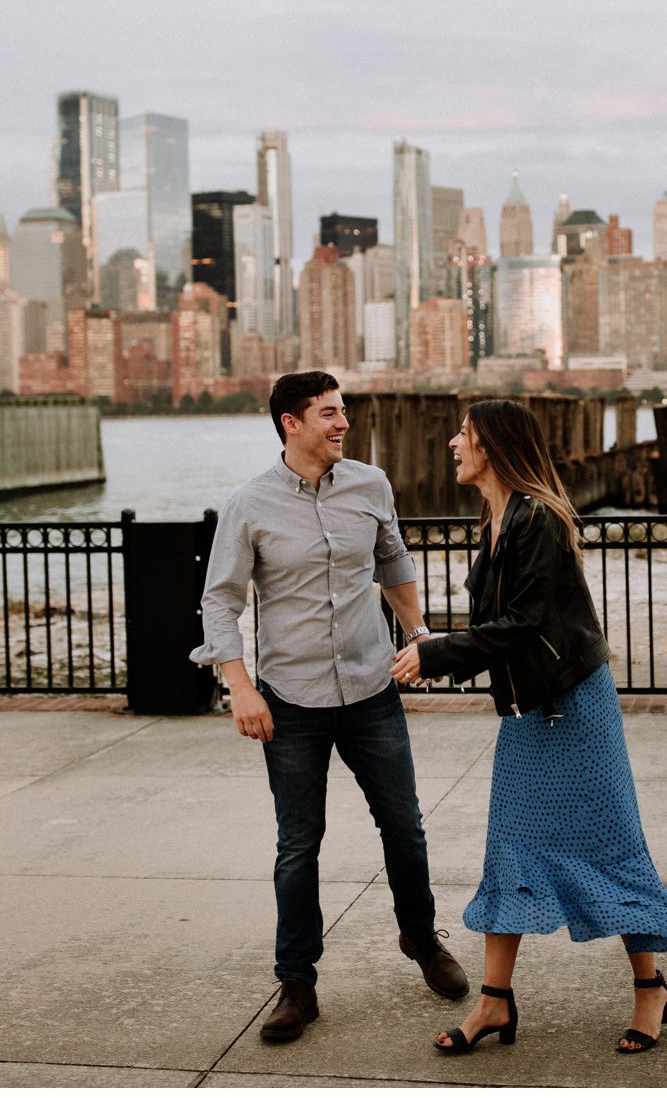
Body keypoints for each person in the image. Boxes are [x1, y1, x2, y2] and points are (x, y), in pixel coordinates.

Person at [390, 398, 667, 1056]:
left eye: (463, 436)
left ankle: (651, 988)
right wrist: (436, 651)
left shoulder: (540, 520)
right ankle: (494, 1004)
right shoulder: (495, 517)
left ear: (493, 447)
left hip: (574, 706)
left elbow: (520, 625)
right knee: (511, 851)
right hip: (529, 713)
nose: (451, 445)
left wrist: (434, 654)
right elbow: (506, 628)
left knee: (611, 847)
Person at [193, 369, 467, 1043]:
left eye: (342, 410)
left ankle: (420, 938)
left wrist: (421, 637)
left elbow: (393, 563)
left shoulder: (372, 485)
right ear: (291, 422)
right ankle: (298, 984)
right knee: (298, 846)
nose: (342, 423)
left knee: (404, 827)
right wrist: (241, 685)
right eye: (328, 413)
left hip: (373, 689)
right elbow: (221, 601)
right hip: (290, 700)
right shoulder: (249, 504)